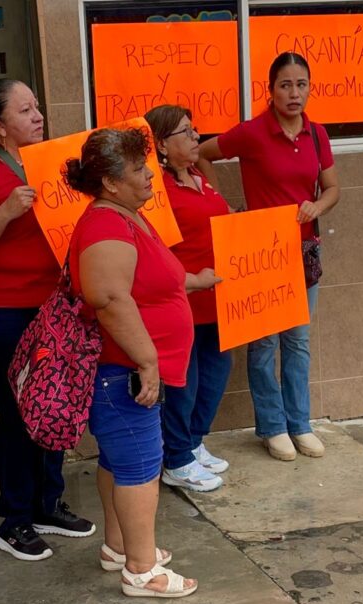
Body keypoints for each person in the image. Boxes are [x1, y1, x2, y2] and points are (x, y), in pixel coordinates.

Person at [65, 127, 220, 597]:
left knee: (118, 461)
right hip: (122, 373)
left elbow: (152, 281)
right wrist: (148, 359)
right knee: (139, 467)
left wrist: (193, 281)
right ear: (111, 182)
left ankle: (118, 547)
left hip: (124, 371)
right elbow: (109, 297)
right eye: (138, 169)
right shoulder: (106, 225)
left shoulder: (125, 216)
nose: (150, 174)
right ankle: (141, 569)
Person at [0, 78, 95, 561]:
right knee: (19, 410)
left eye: (38, 107)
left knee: (55, 402)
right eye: (25, 110)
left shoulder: (54, 162)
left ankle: (48, 504)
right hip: (5, 304)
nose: (38, 116)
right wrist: (8, 211)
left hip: (55, 304)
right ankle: (14, 518)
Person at [199, 51, 341, 462]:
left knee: (297, 342)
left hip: (303, 251)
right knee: (263, 345)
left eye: (301, 85)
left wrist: (318, 206)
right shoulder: (253, 132)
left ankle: (300, 423)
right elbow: (203, 154)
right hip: (262, 253)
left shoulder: (317, 134)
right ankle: (272, 426)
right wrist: (222, 205)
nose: (294, 93)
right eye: (285, 85)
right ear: (271, 90)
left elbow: (332, 188)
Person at [144, 105, 233, 492]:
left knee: (216, 374)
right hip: (183, 299)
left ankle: (194, 442)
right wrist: (189, 280)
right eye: (186, 132)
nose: (196, 137)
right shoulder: (155, 189)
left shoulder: (198, 174)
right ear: (162, 143)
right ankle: (176, 458)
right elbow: (153, 249)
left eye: (195, 130)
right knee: (185, 384)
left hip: (217, 297)